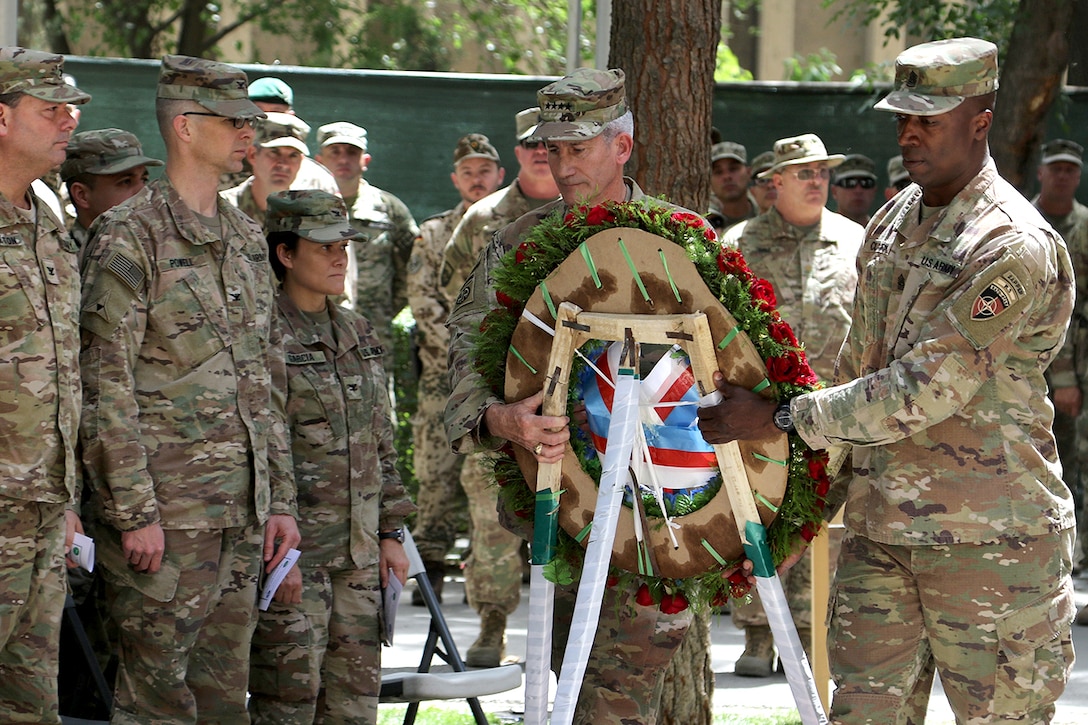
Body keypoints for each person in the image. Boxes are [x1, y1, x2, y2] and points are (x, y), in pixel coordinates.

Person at [699, 38, 1076, 724]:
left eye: (929, 117)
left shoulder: (1010, 243)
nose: (909, 131)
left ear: (980, 119)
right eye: (903, 116)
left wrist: (783, 415)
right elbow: (857, 368)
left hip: (991, 545)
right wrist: (809, 499)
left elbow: (928, 386)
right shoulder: (893, 223)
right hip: (880, 537)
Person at [446, 68, 709, 721]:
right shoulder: (515, 244)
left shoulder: (683, 238)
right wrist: (495, 416)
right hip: (555, 505)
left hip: (660, 514)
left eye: (578, 148)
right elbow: (463, 344)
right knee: (571, 679)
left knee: (617, 688)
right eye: (551, 149)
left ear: (621, 146)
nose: (561, 166)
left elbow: (736, 362)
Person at [78, 55, 300, 723]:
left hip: (241, 515)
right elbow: (104, 383)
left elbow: (267, 376)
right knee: (156, 700)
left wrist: (279, 498)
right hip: (165, 521)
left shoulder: (241, 237)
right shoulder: (129, 234)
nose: (248, 134)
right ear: (184, 126)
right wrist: (135, 510)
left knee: (222, 699)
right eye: (233, 121)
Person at [248, 190, 415, 723]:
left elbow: (380, 443)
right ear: (286, 255)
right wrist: (281, 554)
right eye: (323, 247)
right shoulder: (262, 332)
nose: (340, 257)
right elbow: (265, 443)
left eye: (344, 245)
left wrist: (391, 535)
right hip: (298, 555)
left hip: (359, 557)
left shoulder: (358, 331)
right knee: (288, 703)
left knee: (354, 705)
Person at [721, 133, 863, 677]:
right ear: (773, 182)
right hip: (760, 412)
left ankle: (810, 634)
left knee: (827, 521)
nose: (816, 180)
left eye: (822, 172)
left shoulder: (858, 242)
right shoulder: (740, 244)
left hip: (835, 410)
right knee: (760, 512)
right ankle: (759, 634)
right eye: (803, 173)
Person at [439, 108, 559, 667]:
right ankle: (491, 622)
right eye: (533, 144)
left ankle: (561, 643)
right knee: (492, 518)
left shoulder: (607, 220)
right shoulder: (488, 220)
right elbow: (455, 305)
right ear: (518, 150)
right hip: (501, 402)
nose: (543, 153)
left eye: (554, 145)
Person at [0, 46, 89, 724]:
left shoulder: (50, 216)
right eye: (50, 108)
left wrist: (63, 500)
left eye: (72, 109)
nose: (68, 121)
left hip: (40, 508)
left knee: (31, 704)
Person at [406, 133, 505, 604]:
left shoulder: (509, 226)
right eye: (468, 172)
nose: (477, 179)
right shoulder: (432, 233)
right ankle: (430, 578)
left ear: (499, 175)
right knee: (435, 482)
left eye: (484, 170)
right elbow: (422, 302)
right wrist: (465, 349)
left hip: (492, 381)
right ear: (455, 179)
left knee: (485, 483)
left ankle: (483, 585)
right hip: (440, 381)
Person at [1032, 139, 1088, 624]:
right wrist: (1063, 376)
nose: (1064, 177)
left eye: (1072, 169)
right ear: (1042, 173)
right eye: (1057, 168)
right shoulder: (1025, 223)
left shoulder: (1085, 226)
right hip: (1036, 371)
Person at [316, 121, 418, 372]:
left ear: (366, 160)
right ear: (319, 160)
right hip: (315, 330)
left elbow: (413, 266)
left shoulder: (388, 208)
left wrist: (384, 308)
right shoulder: (304, 210)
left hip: (372, 331)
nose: (344, 159)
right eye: (335, 152)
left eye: (352, 152)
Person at [219, 75, 340, 196]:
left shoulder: (316, 179)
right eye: (258, 112)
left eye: (276, 112)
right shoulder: (220, 167)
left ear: (291, 116)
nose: (266, 119)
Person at [60, 128, 163, 250]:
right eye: (126, 182)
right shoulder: (64, 261)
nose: (145, 193)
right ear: (82, 195)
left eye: (144, 179)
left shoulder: (161, 248)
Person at [221, 112, 311, 226]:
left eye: (293, 155)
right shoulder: (221, 209)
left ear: (301, 161)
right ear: (252, 155)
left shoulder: (310, 215)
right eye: (274, 152)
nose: (284, 164)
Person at [707, 140, 758, 235]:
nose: (727, 176)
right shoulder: (704, 223)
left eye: (733, 169)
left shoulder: (766, 211)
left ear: (748, 172)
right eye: (718, 172)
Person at [829, 153, 878, 226]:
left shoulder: (886, 233)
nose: (858, 190)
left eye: (866, 183)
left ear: (874, 191)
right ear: (834, 191)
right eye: (849, 183)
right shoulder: (821, 234)